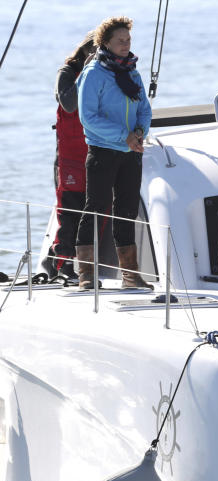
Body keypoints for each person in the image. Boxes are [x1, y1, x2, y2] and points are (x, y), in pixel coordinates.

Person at [75, 16, 152, 290]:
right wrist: (125, 136)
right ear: (105, 42)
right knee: (95, 208)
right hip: (103, 150)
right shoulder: (94, 73)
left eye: (128, 39)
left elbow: (144, 107)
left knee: (127, 209)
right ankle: (85, 274)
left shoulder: (132, 71)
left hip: (132, 150)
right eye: (120, 40)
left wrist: (141, 131)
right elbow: (88, 117)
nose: (125, 44)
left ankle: (130, 276)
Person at [41, 32, 96, 281]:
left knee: (91, 210)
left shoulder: (106, 74)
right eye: (96, 51)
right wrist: (84, 72)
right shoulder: (68, 72)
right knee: (70, 209)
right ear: (86, 49)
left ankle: (64, 259)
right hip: (70, 155)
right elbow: (70, 105)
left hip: (96, 150)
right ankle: (61, 262)